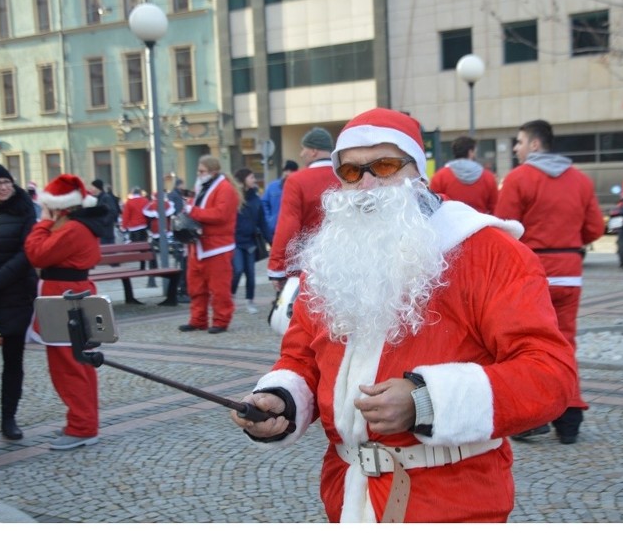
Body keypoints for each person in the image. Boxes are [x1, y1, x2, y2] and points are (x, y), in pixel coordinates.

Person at [230, 108, 576, 523]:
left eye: (386, 165)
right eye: (352, 172)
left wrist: (425, 402)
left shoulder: (491, 253)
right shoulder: (331, 258)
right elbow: (302, 358)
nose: (369, 183)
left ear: (419, 172)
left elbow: (550, 375)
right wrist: (282, 401)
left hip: (453, 502)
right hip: (347, 496)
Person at [494, 119, 605, 445]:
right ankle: (570, 417)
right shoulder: (581, 181)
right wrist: (568, 238)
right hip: (569, 272)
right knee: (565, 341)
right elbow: (595, 229)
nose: (516, 148)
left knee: (528, 345)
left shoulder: (518, 179)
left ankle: (533, 418)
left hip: (532, 272)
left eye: (520, 141)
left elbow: (504, 229)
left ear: (536, 145)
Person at [24, 173, 110, 450]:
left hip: (64, 295)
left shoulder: (73, 228)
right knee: (77, 362)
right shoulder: (79, 225)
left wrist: (43, 222)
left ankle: (83, 427)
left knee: (69, 365)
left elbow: (36, 253)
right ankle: (82, 421)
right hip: (68, 292)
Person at [0, 163, 38, 442]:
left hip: (16, 292)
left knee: (13, 361)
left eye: (7, 182)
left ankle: (8, 419)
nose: (3, 187)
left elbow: (29, 250)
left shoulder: (24, 210)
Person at [267, 127, 340, 292]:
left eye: (304, 148)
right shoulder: (346, 176)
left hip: (309, 262)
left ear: (313, 150)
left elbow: (288, 225)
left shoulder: (296, 180)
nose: (301, 154)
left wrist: (277, 267)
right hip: (345, 260)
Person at [179, 155, 240, 334]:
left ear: (213, 171)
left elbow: (220, 214)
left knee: (219, 288)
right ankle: (198, 320)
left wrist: (193, 211)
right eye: (199, 171)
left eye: (202, 171)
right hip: (198, 245)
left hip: (217, 246)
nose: (199, 174)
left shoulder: (225, 188)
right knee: (196, 287)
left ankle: (221, 321)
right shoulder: (202, 187)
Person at [232, 168, 272, 314]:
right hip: (235, 241)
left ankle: (250, 301)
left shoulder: (256, 198)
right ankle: (231, 296)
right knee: (237, 269)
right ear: (243, 180)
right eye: (251, 177)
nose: (254, 180)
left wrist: (272, 241)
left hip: (250, 242)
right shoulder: (234, 197)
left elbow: (262, 223)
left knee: (250, 273)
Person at [429, 135, 498, 214]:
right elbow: (494, 207)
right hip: (480, 224)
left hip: (451, 223)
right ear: (470, 152)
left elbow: (433, 205)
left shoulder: (440, 176)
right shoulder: (488, 177)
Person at [260, 159, 299, 236]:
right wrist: (269, 220)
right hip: (275, 228)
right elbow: (264, 203)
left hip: (293, 229)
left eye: (291, 170)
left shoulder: (299, 186)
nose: (288, 173)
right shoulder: (273, 186)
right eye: (286, 170)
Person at [87, 179, 119, 245]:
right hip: (101, 233)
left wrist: (102, 221)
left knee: (108, 253)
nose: (91, 189)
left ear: (97, 188)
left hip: (106, 234)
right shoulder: (98, 198)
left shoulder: (106, 198)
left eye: (92, 187)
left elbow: (113, 212)